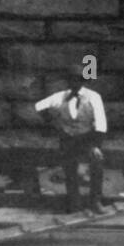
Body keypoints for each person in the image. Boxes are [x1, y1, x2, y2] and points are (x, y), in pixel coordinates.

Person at [35, 80, 108, 213]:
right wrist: (53, 122)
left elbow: (101, 123)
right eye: (71, 79)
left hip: (87, 138)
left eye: (78, 79)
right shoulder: (60, 96)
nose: (75, 83)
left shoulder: (93, 97)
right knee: (70, 169)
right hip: (68, 139)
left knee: (97, 162)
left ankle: (95, 201)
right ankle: (75, 203)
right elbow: (38, 106)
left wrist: (96, 145)